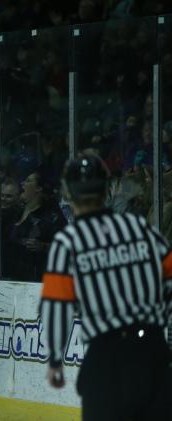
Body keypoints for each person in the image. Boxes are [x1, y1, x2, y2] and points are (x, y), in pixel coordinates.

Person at [40, 154, 172, 420]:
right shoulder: (138, 227)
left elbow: (57, 305)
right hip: (153, 352)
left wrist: (55, 358)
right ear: (105, 189)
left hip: (107, 357)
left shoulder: (69, 241)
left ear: (68, 192)